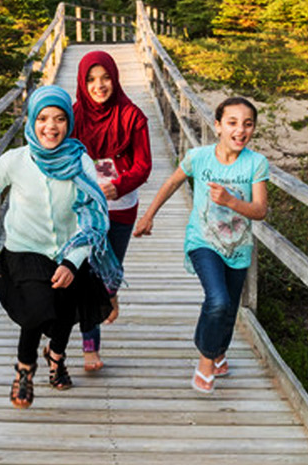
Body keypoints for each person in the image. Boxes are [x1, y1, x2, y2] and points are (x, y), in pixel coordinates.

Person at [0, 85, 125, 408]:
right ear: (31, 120)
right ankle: (24, 370)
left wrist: (73, 260)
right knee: (37, 309)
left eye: (59, 119)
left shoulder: (79, 161)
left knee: (65, 311)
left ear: (69, 122)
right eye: (42, 118)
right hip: (24, 249)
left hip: (69, 249)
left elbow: (94, 216)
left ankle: (56, 356)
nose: (50, 127)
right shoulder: (16, 160)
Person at [133, 97, 268, 393]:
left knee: (229, 309)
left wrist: (232, 201)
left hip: (238, 246)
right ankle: (206, 360)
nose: (240, 130)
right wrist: (149, 216)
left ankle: (218, 351)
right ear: (218, 126)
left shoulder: (256, 163)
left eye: (247, 124)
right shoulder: (199, 157)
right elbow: (171, 183)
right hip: (203, 241)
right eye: (232, 123)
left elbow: (259, 210)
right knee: (217, 300)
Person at [70, 50, 153, 373]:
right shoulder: (73, 115)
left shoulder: (132, 116)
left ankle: (111, 293)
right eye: (91, 79)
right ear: (82, 82)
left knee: (110, 271)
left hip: (121, 205)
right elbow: (57, 150)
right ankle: (90, 346)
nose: (99, 85)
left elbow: (144, 164)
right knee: (87, 273)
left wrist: (120, 185)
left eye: (105, 78)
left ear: (115, 78)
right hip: (84, 208)